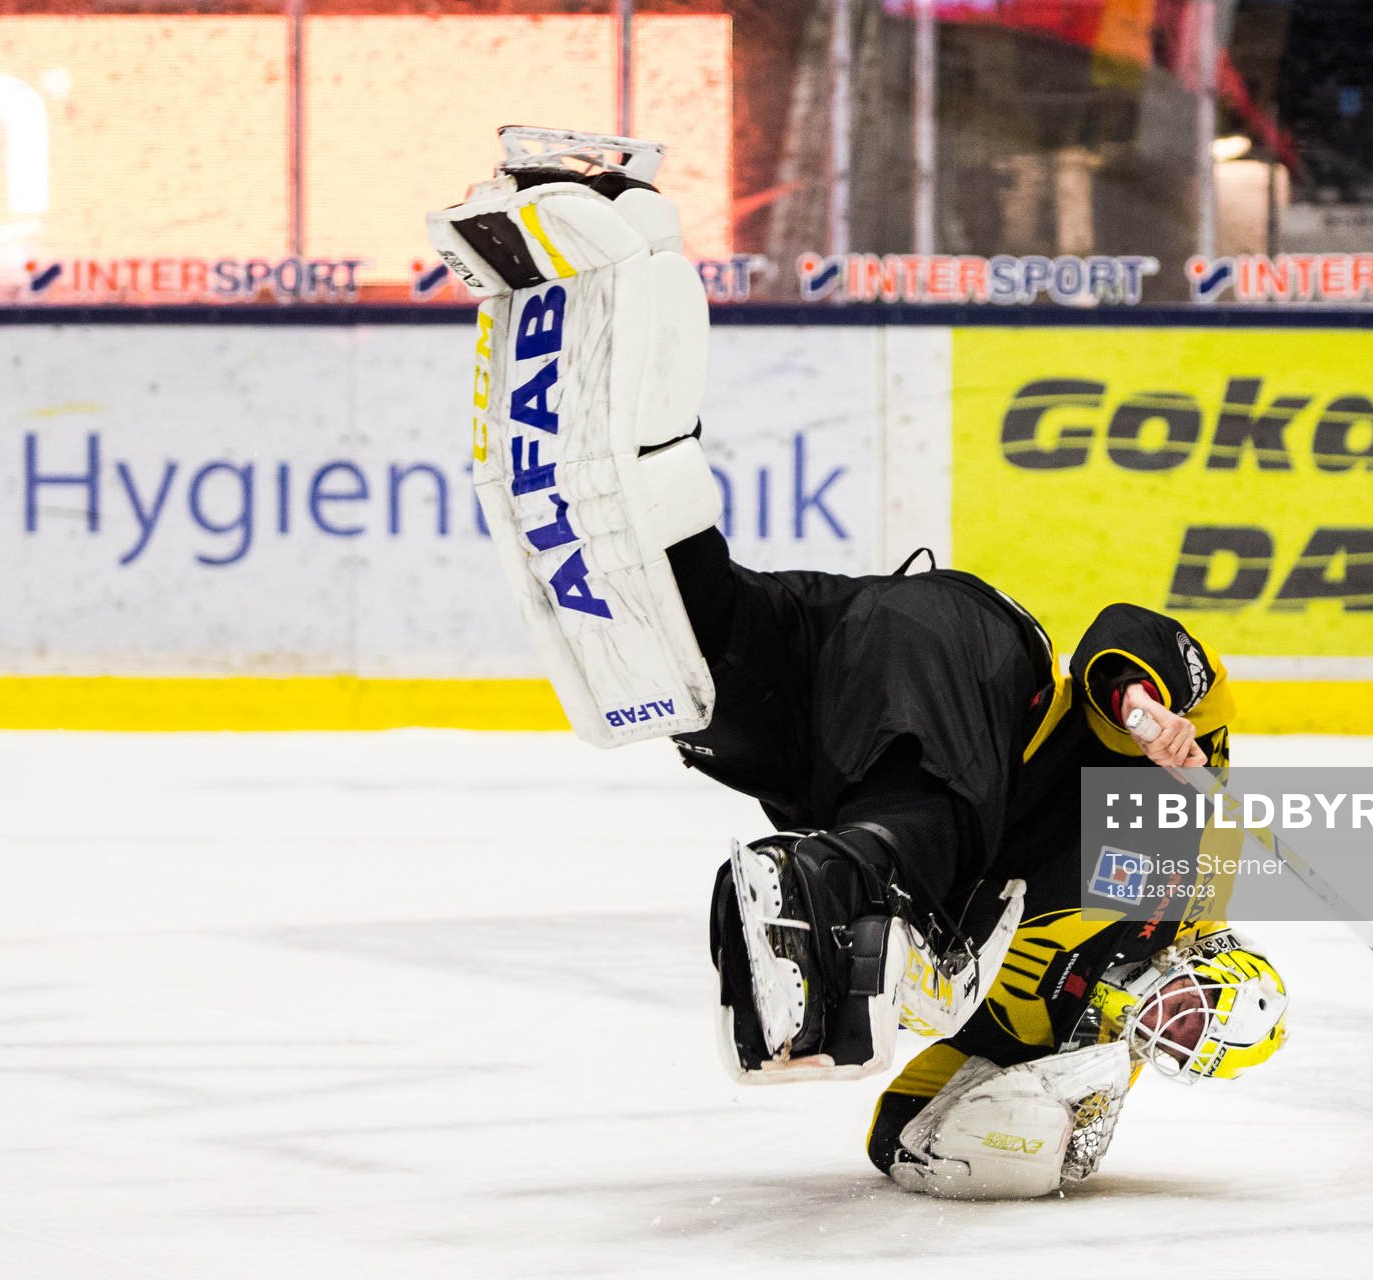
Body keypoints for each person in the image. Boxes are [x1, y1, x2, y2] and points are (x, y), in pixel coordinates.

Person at [426, 128, 1288, 1200]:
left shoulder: (1049, 1029)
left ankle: (607, 237)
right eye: (1196, 1004)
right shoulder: (1189, 857)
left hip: (834, 734)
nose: (1170, 1016)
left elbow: (895, 1129)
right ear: (1215, 958)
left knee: (662, 625)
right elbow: (1137, 636)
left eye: (1184, 1040)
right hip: (961, 663)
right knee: (927, 822)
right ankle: (833, 882)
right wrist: (1144, 701)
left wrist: (1043, 1124)